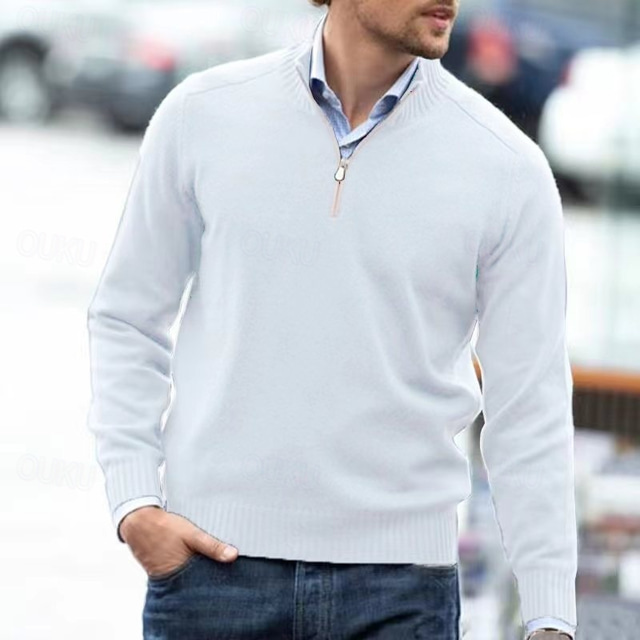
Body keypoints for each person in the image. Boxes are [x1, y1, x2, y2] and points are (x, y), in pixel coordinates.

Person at [86, 1, 578, 638]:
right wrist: (135, 504)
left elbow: (530, 403)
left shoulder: (508, 167)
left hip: (402, 595)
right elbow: (127, 317)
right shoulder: (202, 115)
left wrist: (549, 615)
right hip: (212, 578)